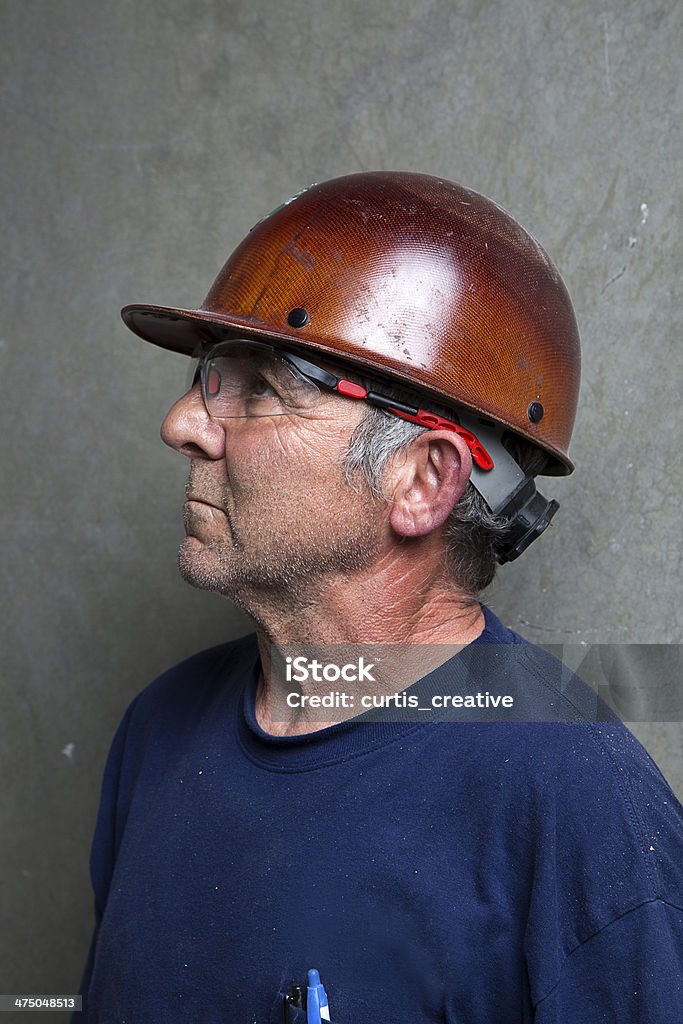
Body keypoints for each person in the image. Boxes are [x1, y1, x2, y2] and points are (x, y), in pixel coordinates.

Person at [75, 172, 683, 1022]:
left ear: (422, 481)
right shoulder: (159, 730)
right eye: (209, 376)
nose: (182, 422)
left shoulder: (573, 797)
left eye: (258, 389)